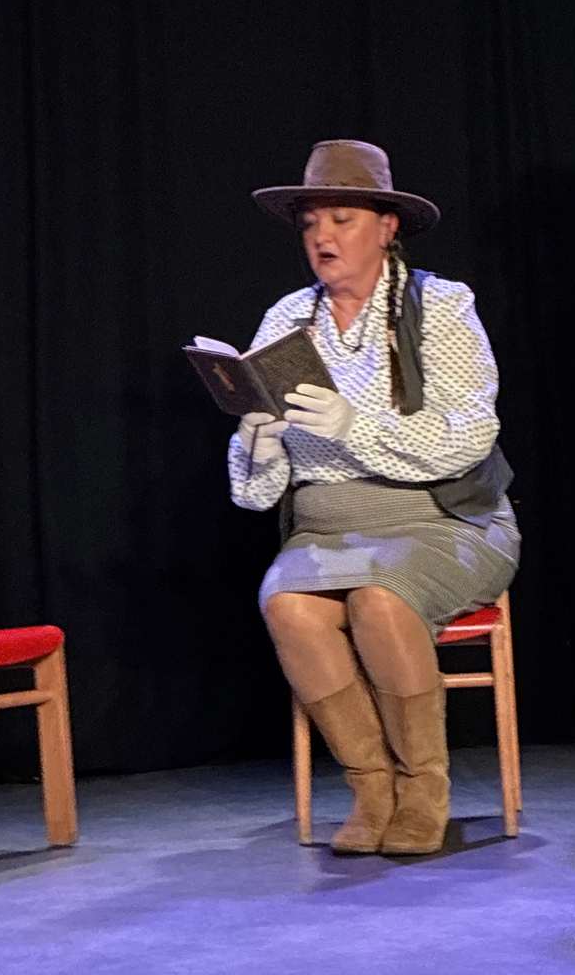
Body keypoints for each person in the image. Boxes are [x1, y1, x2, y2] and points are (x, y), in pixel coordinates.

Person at [227, 139, 520, 855]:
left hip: (441, 518)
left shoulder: (440, 306)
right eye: (311, 223)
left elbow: (469, 434)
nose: (321, 237)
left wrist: (355, 425)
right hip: (325, 529)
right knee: (288, 605)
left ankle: (423, 791)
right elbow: (259, 496)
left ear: (387, 227)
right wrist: (258, 443)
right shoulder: (286, 320)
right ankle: (372, 788)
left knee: (380, 601)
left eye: (342, 219)